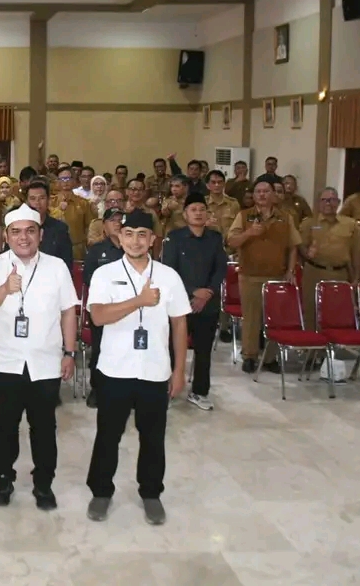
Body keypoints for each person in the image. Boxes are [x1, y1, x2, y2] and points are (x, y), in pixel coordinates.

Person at [85, 209, 191, 526]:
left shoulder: (169, 276)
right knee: (108, 435)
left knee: (153, 437)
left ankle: (151, 494)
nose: (135, 241)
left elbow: (180, 325)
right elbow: (98, 316)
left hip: (155, 370)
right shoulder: (105, 274)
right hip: (114, 370)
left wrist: (179, 370)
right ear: (119, 237)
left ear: (153, 240)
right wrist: (139, 301)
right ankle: (101, 491)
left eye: (142, 234)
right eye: (129, 234)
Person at [0, 204, 79, 510]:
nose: (24, 238)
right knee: (4, 426)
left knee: (44, 427)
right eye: (16, 232)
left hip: (45, 363)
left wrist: (69, 352)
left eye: (30, 231)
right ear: (5, 235)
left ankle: (43, 483)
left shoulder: (57, 267)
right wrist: (5, 289)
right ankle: (3, 479)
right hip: (6, 362)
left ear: (41, 234)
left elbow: (68, 311)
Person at [227, 175, 300, 374]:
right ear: (254, 195)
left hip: (276, 276)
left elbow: (293, 246)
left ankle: (270, 357)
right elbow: (232, 242)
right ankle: (249, 356)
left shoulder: (285, 217)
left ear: (274, 195)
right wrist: (249, 233)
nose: (262, 195)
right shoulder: (244, 215)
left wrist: (290, 270)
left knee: (275, 318)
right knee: (251, 319)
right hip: (250, 275)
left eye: (266, 191)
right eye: (258, 191)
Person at [160, 194, 227, 411]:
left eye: (202, 209)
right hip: (179, 303)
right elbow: (169, 270)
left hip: (208, 303)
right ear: (185, 214)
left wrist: (207, 292)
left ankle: (199, 391)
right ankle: (167, 389)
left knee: (204, 350)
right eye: (193, 209)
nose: (198, 213)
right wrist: (192, 292)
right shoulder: (174, 237)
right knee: (171, 347)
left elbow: (220, 269)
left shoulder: (215, 238)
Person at [297, 188, 360, 329]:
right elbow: (300, 246)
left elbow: (356, 253)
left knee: (336, 313)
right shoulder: (309, 223)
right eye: (324, 200)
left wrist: (356, 278)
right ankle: (311, 345)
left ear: (338, 202)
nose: (328, 203)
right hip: (314, 273)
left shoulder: (350, 224)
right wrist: (307, 253)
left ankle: (332, 346)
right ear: (319, 203)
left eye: (332, 200)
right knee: (311, 312)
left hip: (340, 274)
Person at [82, 207, 125, 408]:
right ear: (105, 227)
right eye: (112, 220)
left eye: (120, 219)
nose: (117, 223)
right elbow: (88, 278)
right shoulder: (96, 251)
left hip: (129, 308)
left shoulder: (134, 249)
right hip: (102, 308)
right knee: (100, 349)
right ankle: (97, 389)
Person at [23, 180, 73, 268]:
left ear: (48, 200)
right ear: (27, 202)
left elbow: (66, 264)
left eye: (41, 198)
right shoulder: (18, 228)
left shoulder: (60, 229)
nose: (37, 203)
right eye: (33, 198)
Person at [50, 168, 94, 261]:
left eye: (68, 178)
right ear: (57, 182)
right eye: (62, 179)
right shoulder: (51, 202)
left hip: (77, 249)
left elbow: (89, 227)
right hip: (54, 248)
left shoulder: (83, 203)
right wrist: (59, 210)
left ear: (74, 181)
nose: (65, 182)